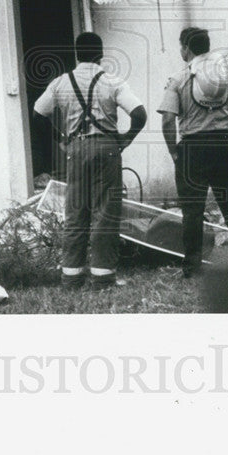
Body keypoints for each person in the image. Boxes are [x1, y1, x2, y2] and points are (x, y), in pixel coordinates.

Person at [34, 32, 147, 289]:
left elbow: (38, 115)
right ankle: (102, 277)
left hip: (76, 148)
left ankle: (71, 278)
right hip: (107, 148)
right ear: (101, 53)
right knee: (105, 212)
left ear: (76, 53)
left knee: (75, 212)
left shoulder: (60, 83)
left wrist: (62, 139)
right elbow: (139, 114)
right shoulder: (112, 81)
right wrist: (125, 139)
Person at [158, 27, 228, 278]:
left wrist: (173, 152)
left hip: (193, 148)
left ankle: (192, 268)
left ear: (186, 48)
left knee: (192, 211)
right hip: (227, 145)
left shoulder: (178, 80)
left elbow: (168, 119)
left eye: (181, 47)